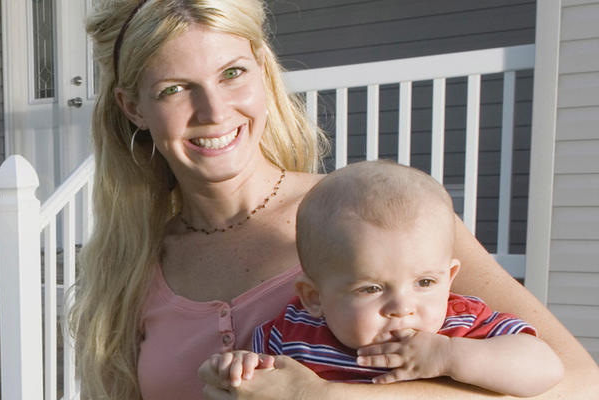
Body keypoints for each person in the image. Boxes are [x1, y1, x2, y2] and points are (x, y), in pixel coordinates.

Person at [71, 0, 599, 398]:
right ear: (132, 106)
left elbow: (578, 384)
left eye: (232, 73)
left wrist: (327, 397)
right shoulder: (131, 266)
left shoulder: (379, 221)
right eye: (174, 89)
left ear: (261, 69)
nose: (213, 110)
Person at [204, 161, 563, 397]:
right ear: (314, 297)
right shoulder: (290, 335)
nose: (402, 308)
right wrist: (237, 369)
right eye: (371, 288)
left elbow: (546, 368)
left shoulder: (461, 327)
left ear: (450, 277)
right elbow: (254, 385)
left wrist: (451, 356)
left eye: (425, 282)